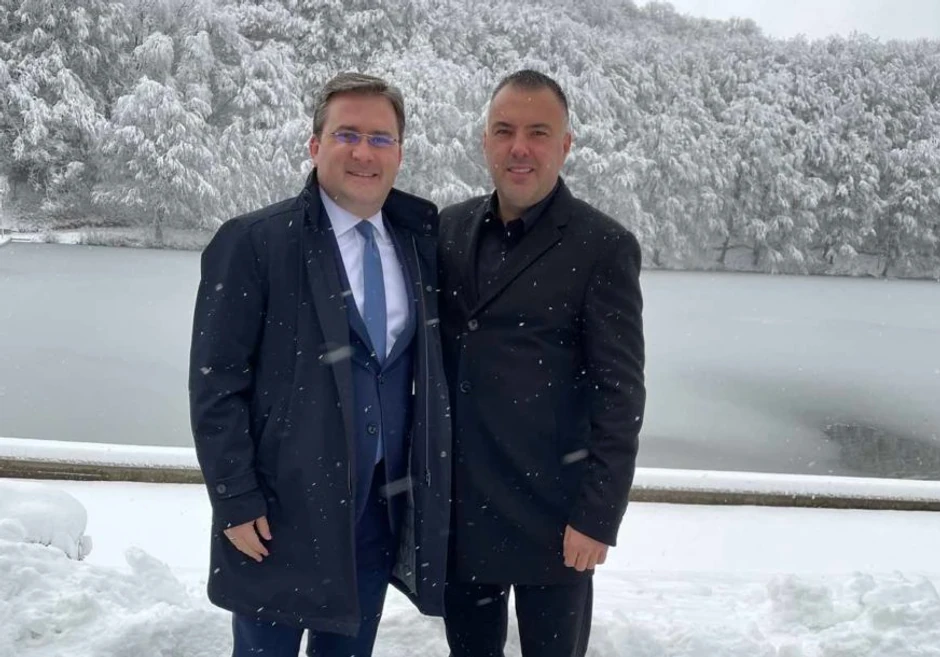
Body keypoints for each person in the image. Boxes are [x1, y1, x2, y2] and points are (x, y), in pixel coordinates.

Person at [188, 72, 451, 657]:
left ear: (400, 152)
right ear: (315, 145)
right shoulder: (255, 242)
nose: (364, 153)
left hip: (376, 517)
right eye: (346, 135)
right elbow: (216, 384)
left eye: (381, 138)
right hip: (278, 516)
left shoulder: (418, 244)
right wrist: (234, 499)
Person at [438, 70, 646, 657]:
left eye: (538, 132)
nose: (519, 148)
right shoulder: (448, 230)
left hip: (556, 524)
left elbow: (620, 395)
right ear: (485, 140)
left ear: (565, 144)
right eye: (504, 131)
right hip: (463, 517)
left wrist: (598, 516)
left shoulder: (602, 246)